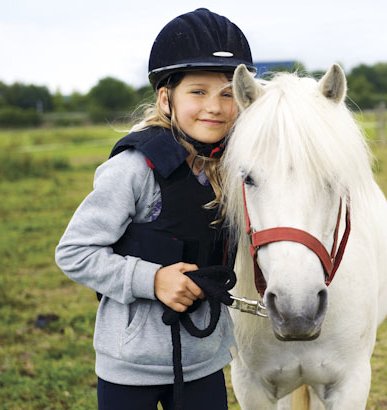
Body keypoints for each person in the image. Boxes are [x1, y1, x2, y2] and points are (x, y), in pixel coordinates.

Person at [55, 8, 255, 410]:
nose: (214, 107)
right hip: (130, 368)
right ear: (166, 99)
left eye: (227, 93)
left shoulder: (236, 171)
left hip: (203, 363)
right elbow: (74, 253)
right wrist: (153, 280)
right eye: (198, 92)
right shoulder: (132, 169)